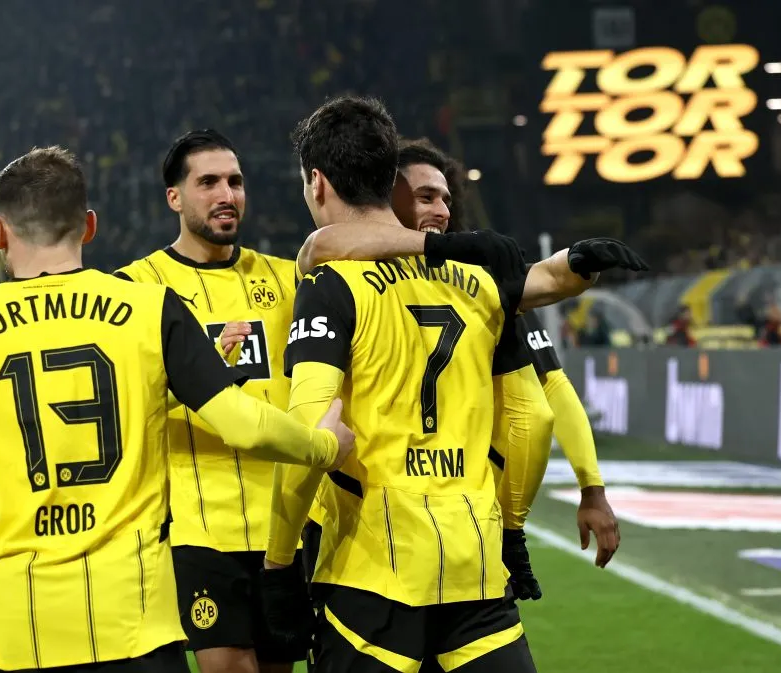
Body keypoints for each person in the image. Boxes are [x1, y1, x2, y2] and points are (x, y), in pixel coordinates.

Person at [0, 146, 355, 673]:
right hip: (134, 625)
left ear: (0, 232)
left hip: (6, 633)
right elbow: (243, 424)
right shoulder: (151, 310)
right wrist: (323, 445)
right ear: (88, 225)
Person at [263, 96, 645, 673]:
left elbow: (307, 439)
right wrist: (513, 529)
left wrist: (277, 565)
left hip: (372, 567)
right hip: (474, 560)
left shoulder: (330, 282)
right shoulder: (477, 284)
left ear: (317, 182)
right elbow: (530, 420)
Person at [296, 137, 624, 601]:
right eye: (427, 196)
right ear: (385, 197)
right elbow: (323, 244)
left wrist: (579, 264)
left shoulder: (472, 287)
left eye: (447, 199)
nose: (444, 210)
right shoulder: (339, 274)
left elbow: (546, 393)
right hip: (360, 528)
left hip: (462, 532)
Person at [113, 129, 306, 673]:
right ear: (174, 197)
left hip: (284, 522)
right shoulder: (135, 289)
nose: (227, 194)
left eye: (235, 182)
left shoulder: (287, 279)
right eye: (208, 183)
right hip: (198, 528)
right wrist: (203, 378)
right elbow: (129, 407)